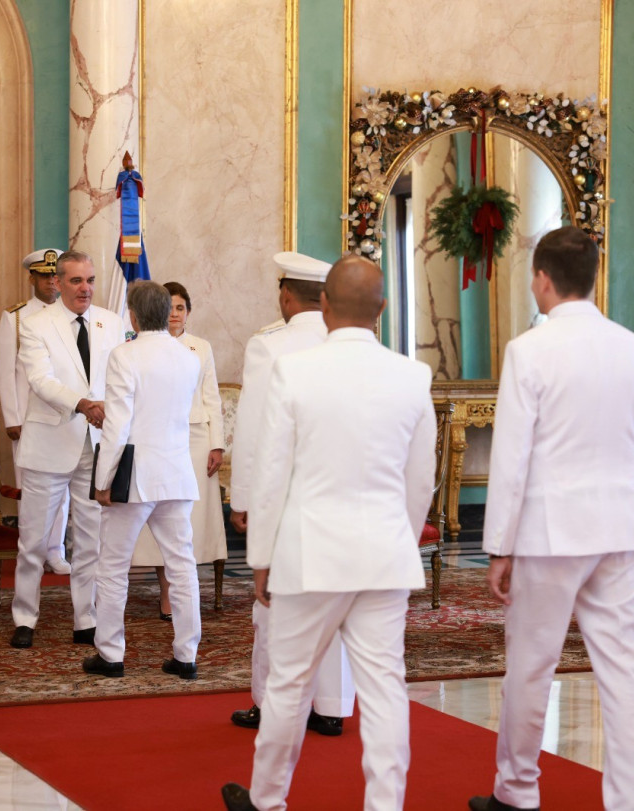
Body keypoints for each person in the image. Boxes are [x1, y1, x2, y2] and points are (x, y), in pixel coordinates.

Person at [221, 256, 436, 811]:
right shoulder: (414, 377)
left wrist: (261, 556)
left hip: (308, 554)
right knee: (386, 688)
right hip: (385, 555)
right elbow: (421, 482)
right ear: (382, 310)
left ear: (323, 305)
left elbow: (273, 474)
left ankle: (268, 800)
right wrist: (401, 538)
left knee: (290, 683)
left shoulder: (295, 372)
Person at [469, 226, 634, 811]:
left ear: (543, 279)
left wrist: (499, 545)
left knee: (531, 666)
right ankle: (628, 801)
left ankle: (517, 792)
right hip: (622, 526)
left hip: (551, 533)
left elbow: (511, 458)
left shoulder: (530, 350)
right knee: (622, 667)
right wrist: (632, 517)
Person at [228, 252, 355, 736]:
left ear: (286, 296)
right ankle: (331, 706)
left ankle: (271, 703)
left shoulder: (270, 347)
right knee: (335, 599)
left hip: (285, 499)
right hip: (341, 495)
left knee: (274, 604)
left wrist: (241, 500)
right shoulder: (347, 346)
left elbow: (256, 429)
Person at [83, 281, 202, 680]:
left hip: (133, 477)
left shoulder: (125, 355)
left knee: (113, 567)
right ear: (167, 310)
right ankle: (186, 655)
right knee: (182, 566)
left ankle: (111, 654)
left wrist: (103, 479)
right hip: (176, 474)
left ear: (132, 315)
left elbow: (117, 426)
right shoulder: (189, 357)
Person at [10, 251, 126, 649]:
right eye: (77, 281)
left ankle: (85, 617)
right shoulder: (34, 323)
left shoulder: (111, 322)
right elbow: (40, 380)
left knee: (91, 536)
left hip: (98, 442)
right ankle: (25, 616)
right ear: (57, 283)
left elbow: (120, 377)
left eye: (91, 280)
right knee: (35, 540)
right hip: (51, 441)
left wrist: (108, 411)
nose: (86, 288)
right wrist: (83, 404)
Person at [131, 281, 227, 619]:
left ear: (188, 311)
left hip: (196, 439)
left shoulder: (200, 348)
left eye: (180, 307)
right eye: (169, 307)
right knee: (162, 514)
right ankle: (167, 590)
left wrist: (217, 443)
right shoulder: (139, 346)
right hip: (157, 438)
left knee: (192, 520)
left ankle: (187, 585)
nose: (174, 313)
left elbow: (211, 397)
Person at [0, 248, 72, 575]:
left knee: (64, 491)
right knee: (32, 490)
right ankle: (32, 551)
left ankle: (55, 551)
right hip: (29, 419)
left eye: (55, 276)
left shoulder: (72, 315)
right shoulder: (15, 316)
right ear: (32, 278)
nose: (51, 283)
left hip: (66, 419)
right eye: (44, 276)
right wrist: (12, 417)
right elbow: (5, 371)